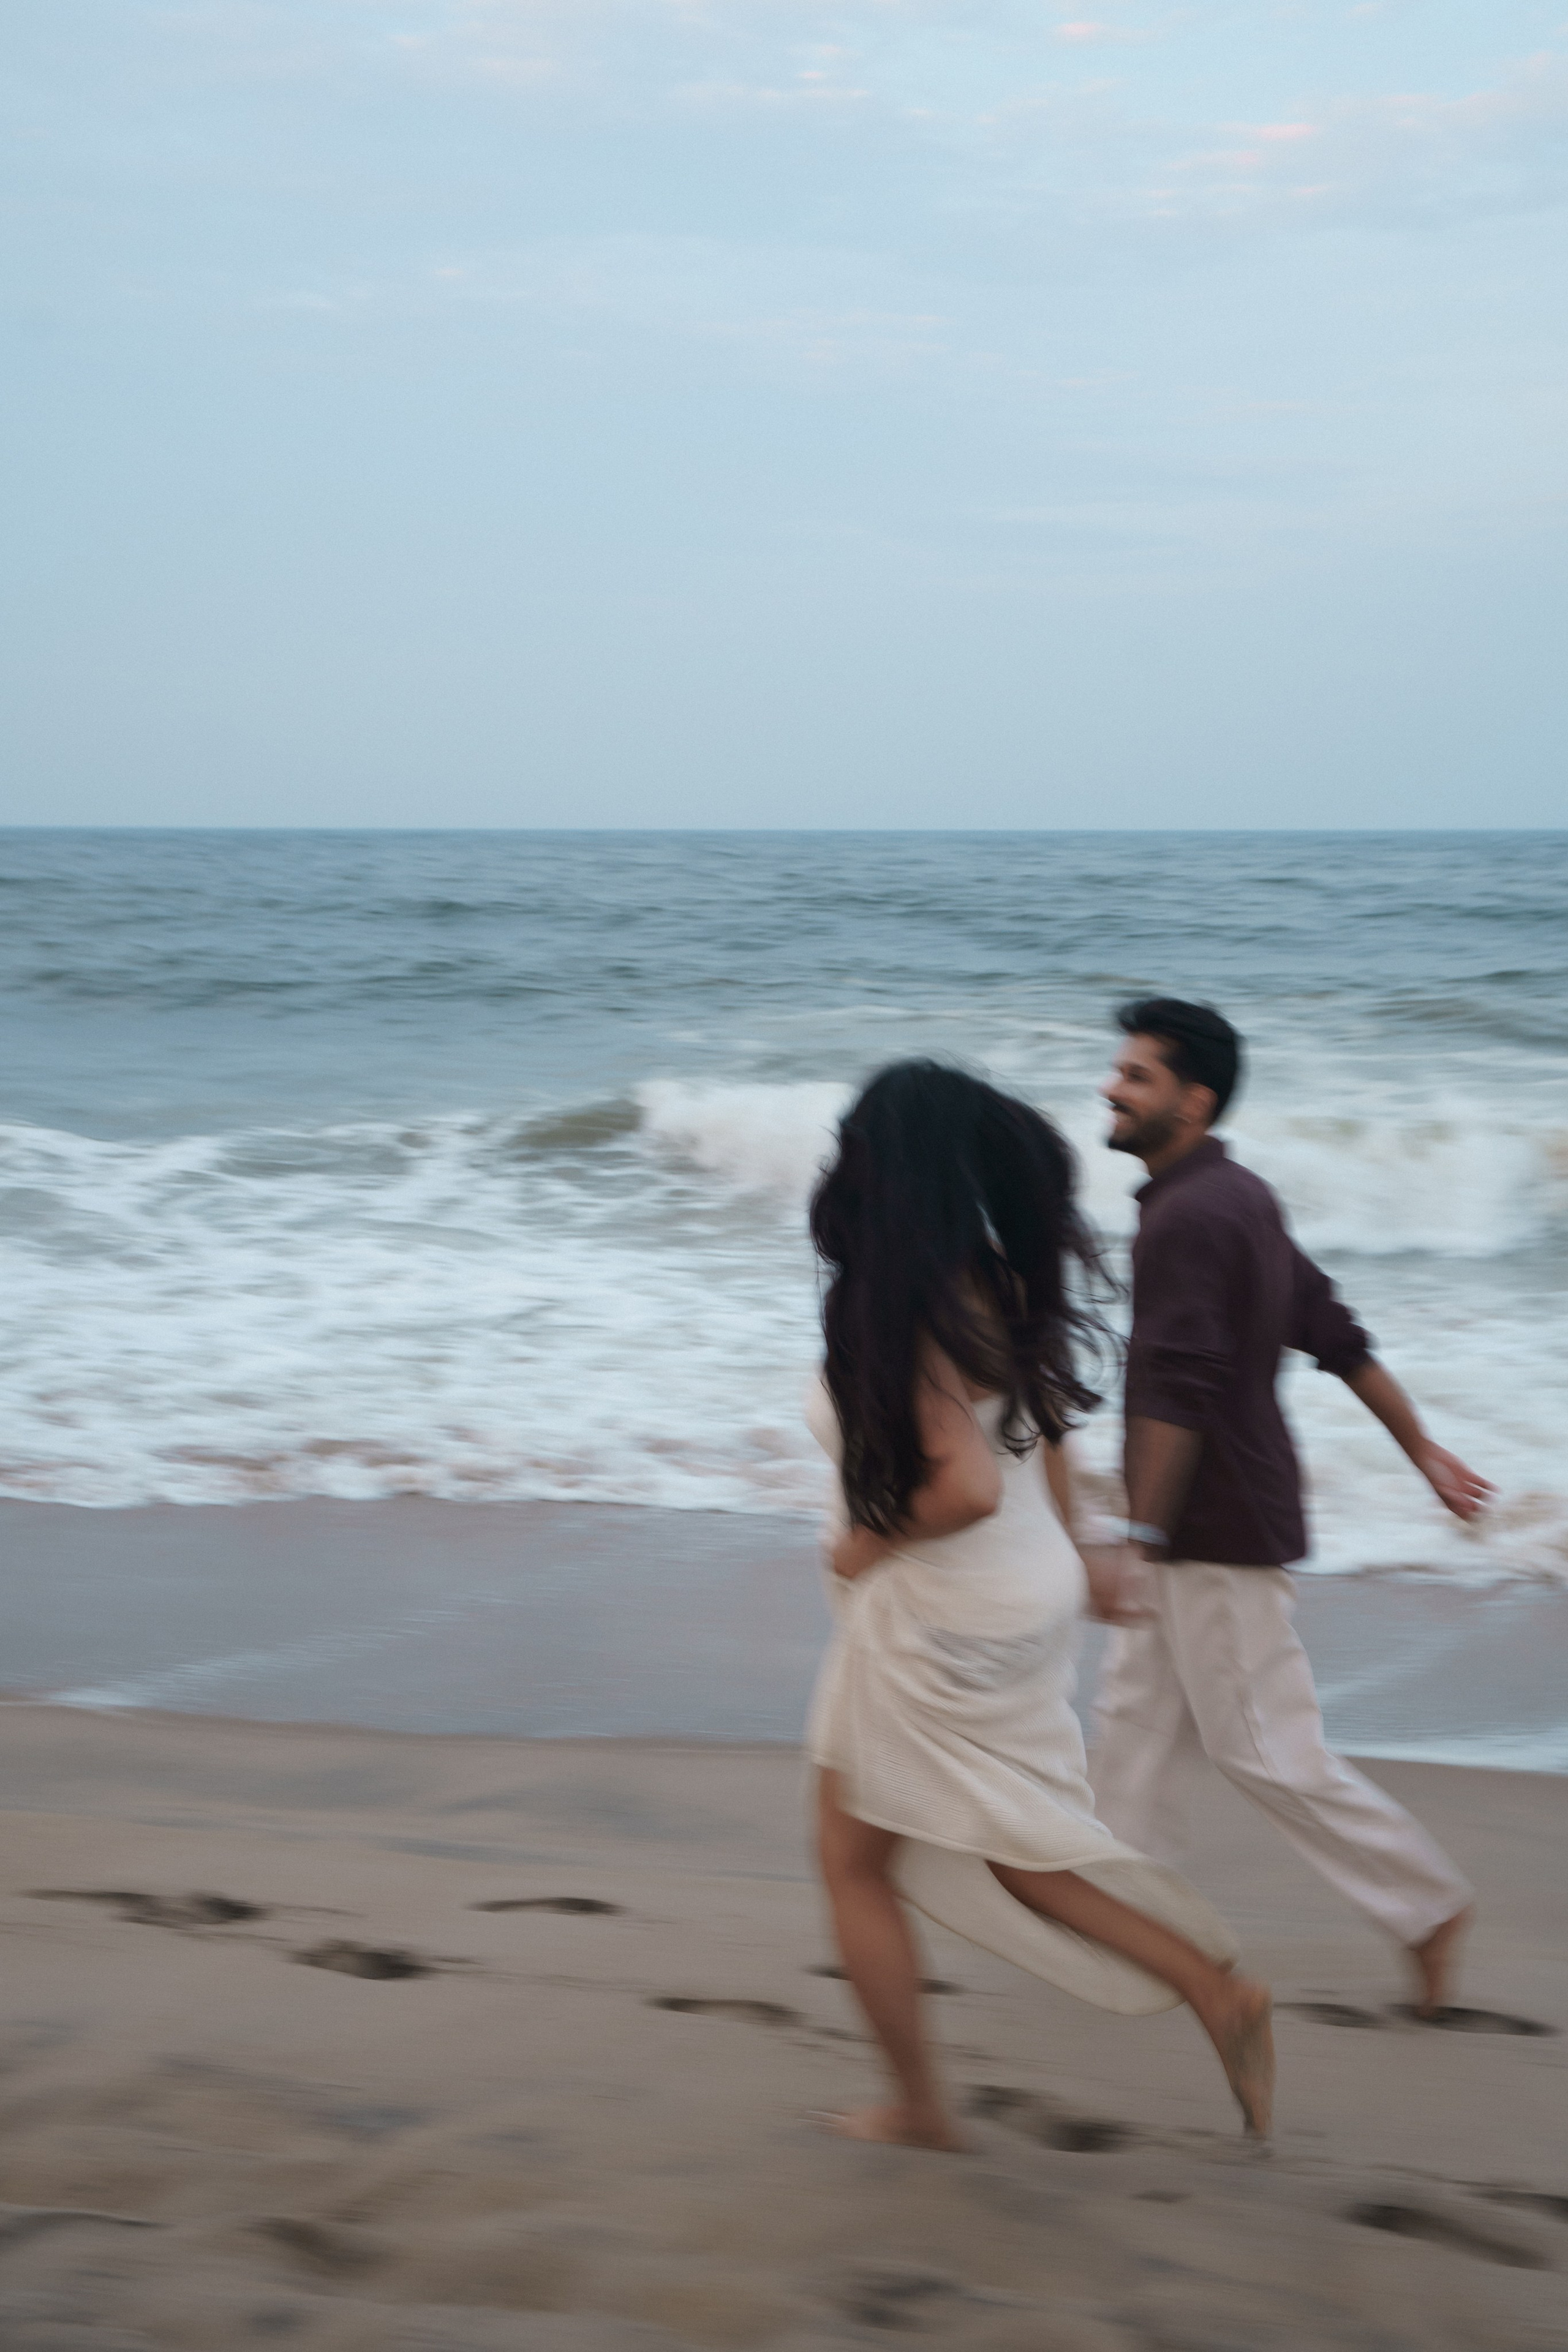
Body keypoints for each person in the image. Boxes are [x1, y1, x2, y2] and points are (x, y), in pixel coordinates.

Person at [805, 1060, 1274, 2154]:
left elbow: (966, 1486)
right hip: (1025, 1590)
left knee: (854, 1863)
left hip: (942, 1612)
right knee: (1017, 1846)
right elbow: (1044, 1429)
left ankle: (922, 2110)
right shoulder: (996, 1276)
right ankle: (1210, 1989)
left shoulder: (899, 1299)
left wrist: (859, 1547)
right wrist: (1079, 1547)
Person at [1088, 998, 1491, 2019]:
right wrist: (1422, 1449)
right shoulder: (1237, 1196)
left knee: (1266, 1748)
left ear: (1193, 1101)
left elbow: (1180, 1386)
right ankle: (1126, 1927)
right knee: (1135, 1731)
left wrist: (1140, 1536)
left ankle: (1427, 1909)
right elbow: (1335, 1331)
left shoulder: (1192, 1216)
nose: (1111, 1087)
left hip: (1211, 1526)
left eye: (1135, 1076)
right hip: (1201, 1520)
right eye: (1119, 1070)